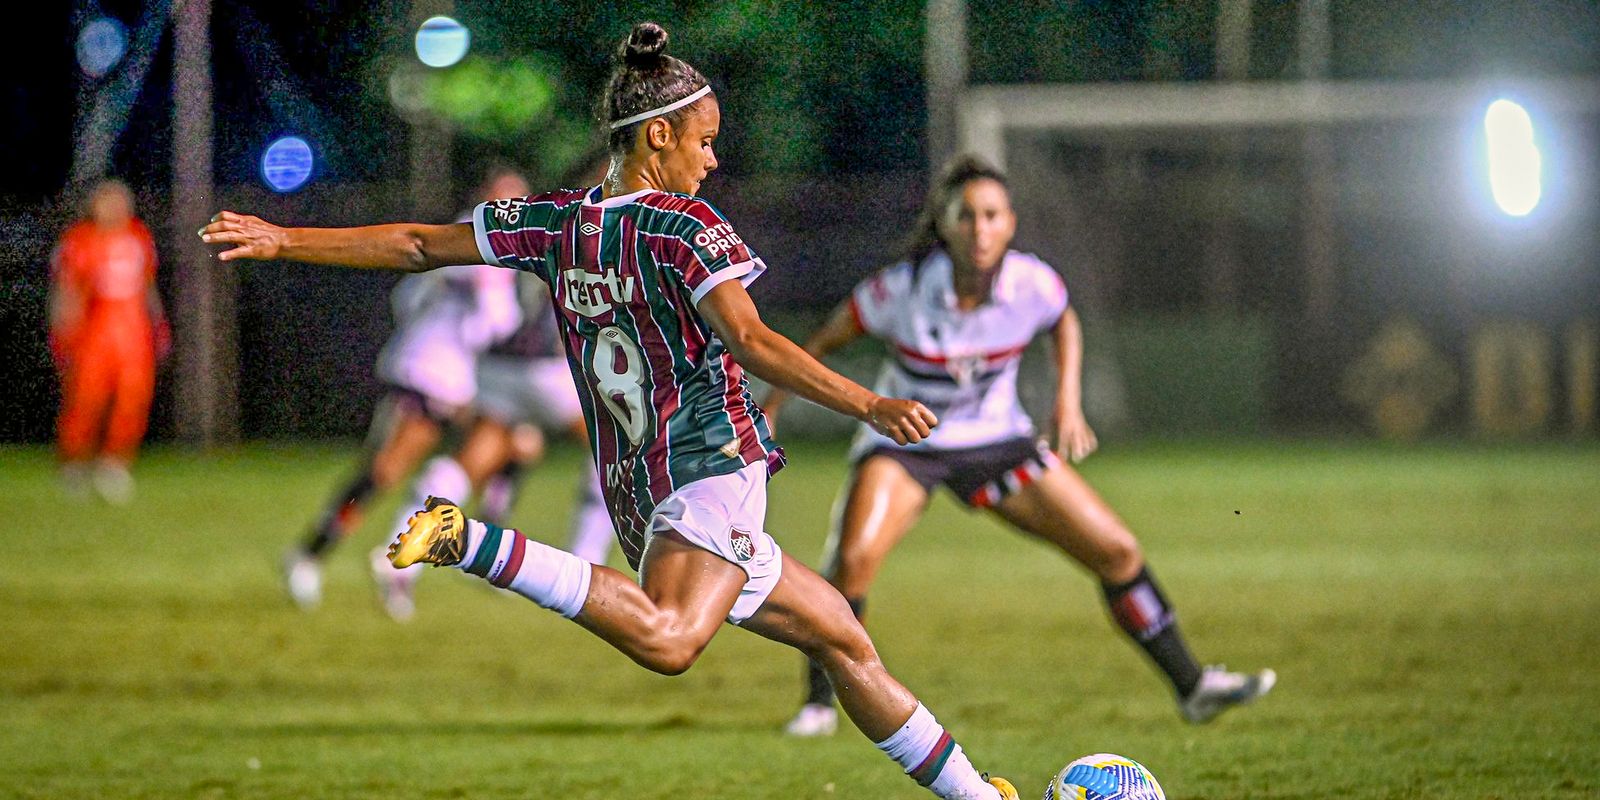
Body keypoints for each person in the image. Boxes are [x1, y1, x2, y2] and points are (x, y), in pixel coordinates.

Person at [202, 22, 1022, 800]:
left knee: (842, 638)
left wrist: (286, 238)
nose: (713, 158)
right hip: (708, 465)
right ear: (658, 135)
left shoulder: (556, 224)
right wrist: (868, 402)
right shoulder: (684, 228)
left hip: (639, 491)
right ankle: (471, 540)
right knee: (671, 639)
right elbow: (749, 340)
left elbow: (418, 245)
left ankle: (979, 794)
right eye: (704, 140)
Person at [764, 155, 1276, 738]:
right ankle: (819, 705)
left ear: (1010, 224)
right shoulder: (900, 290)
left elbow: (1063, 320)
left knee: (1116, 551)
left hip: (999, 442)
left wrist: (1066, 401)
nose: (980, 230)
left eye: (992, 216)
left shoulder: (1031, 283)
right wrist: (773, 405)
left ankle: (1193, 687)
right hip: (910, 445)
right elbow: (819, 344)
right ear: (944, 225)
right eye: (966, 216)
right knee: (851, 563)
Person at [281, 168, 527, 611]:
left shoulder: (456, 235)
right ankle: (312, 554)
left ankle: (441, 555)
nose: (513, 207)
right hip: (431, 373)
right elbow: (498, 319)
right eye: (505, 197)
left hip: (449, 372)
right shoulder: (486, 240)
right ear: (486, 197)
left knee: (513, 444)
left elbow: (407, 296)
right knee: (385, 470)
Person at [371, 270, 615, 620]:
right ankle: (588, 560)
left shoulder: (495, 242)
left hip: (495, 369)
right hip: (547, 371)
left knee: (470, 461)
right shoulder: (573, 242)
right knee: (612, 442)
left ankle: (400, 554)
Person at [50, 179, 168, 504]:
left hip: (132, 329)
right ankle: (74, 460)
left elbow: (147, 285)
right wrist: (63, 331)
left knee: (133, 395)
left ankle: (114, 463)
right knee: (86, 397)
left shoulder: (138, 236)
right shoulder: (80, 239)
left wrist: (158, 323)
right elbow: (68, 289)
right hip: (95, 329)